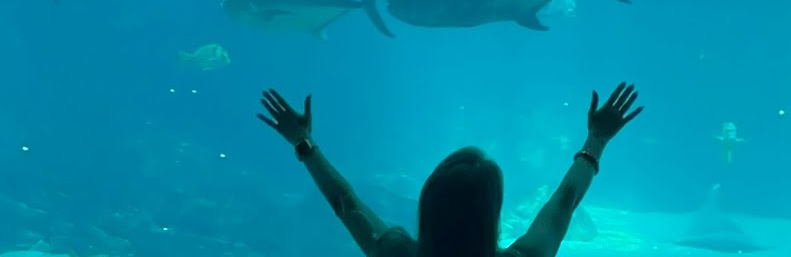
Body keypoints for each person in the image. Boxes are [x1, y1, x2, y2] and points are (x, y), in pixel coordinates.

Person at [257, 82, 642, 257]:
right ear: (491, 213)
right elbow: (564, 203)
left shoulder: (394, 252)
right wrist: (597, 140)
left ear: (429, 202)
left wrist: (304, 144)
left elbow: (344, 202)